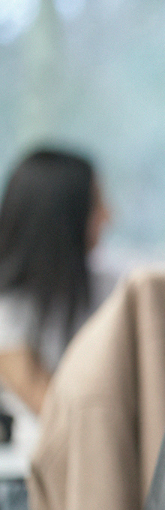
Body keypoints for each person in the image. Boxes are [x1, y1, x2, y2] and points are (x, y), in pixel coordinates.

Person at [0, 148, 110, 415]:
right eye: (95, 205)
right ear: (62, 218)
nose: (108, 215)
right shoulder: (8, 314)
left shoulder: (107, 287)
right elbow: (52, 412)